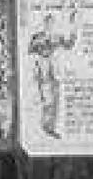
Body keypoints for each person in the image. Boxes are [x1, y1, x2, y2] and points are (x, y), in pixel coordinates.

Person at [25, 8, 79, 140]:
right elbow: (30, 50)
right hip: (41, 70)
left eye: (52, 23)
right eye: (48, 22)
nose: (50, 25)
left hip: (53, 70)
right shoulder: (37, 36)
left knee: (55, 99)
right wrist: (41, 44)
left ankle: (50, 127)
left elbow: (70, 44)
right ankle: (44, 126)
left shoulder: (56, 36)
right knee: (46, 99)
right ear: (45, 23)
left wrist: (73, 24)